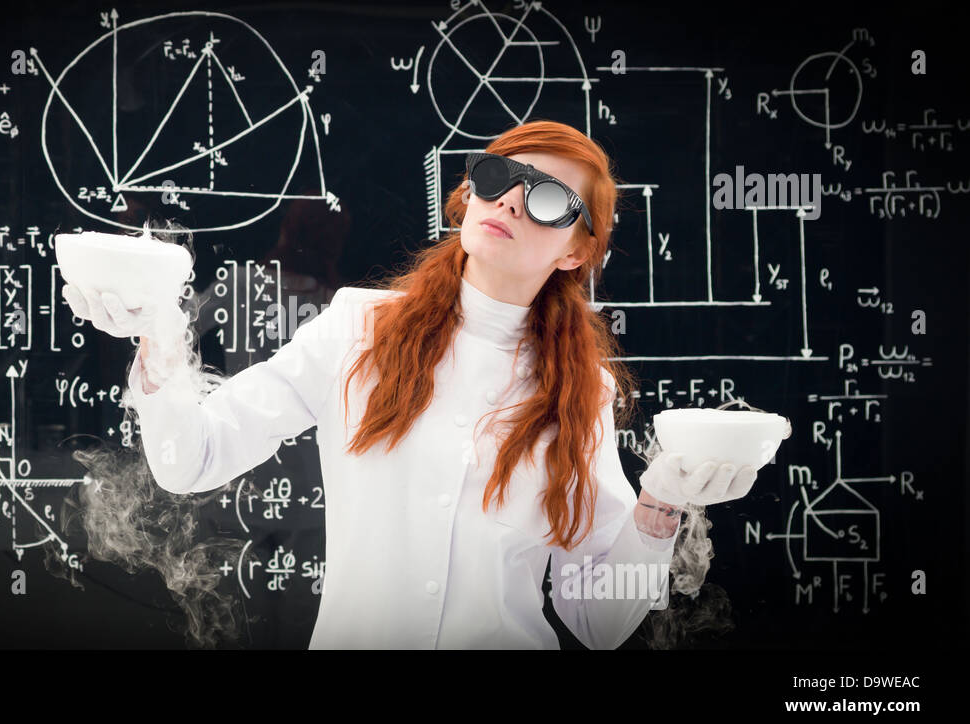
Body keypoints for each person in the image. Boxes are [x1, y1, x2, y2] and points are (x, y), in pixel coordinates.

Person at [63, 119, 757, 649]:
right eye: (497, 176)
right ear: (468, 197)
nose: (512, 202)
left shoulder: (584, 394)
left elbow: (596, 622)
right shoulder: (357, 329)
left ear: (578, 248)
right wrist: (156, 331)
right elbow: (194, 459)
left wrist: (663, 504)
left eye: (546, 197)